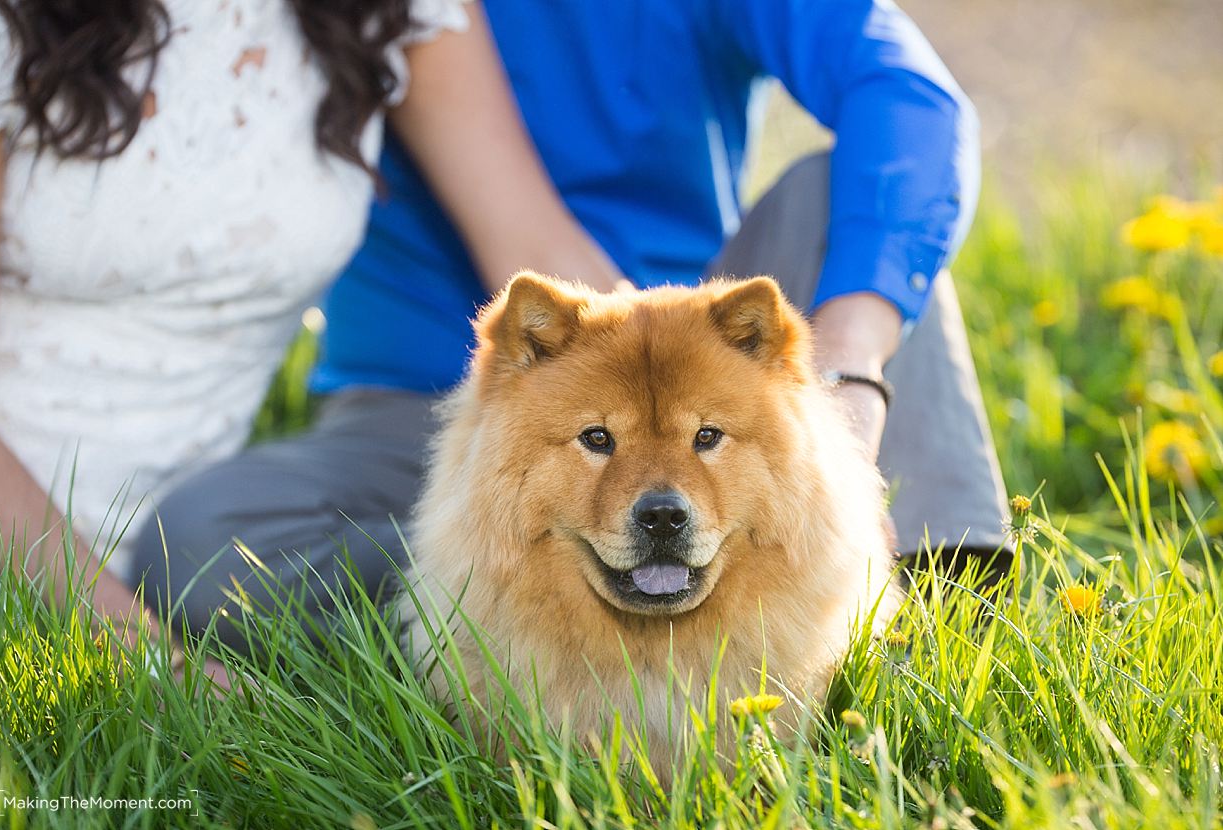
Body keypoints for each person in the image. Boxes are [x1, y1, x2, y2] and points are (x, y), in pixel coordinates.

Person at [137, 0, 1012, 646]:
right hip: (408, 400)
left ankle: (935, 608)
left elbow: (906, 93)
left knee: (848, 192)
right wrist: (496, 522)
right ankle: (501, 604)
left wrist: (848, 375)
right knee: (204, 541)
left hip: (692, 362)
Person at [0, 0, 626, 684]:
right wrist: (150, 662)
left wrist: (673, 424)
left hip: (198, 531)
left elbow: (531, 241)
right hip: (5, 532)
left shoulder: (388, 13)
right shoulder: (2, 22)